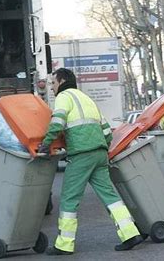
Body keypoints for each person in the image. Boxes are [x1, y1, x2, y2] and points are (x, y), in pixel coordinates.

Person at [38, 68, 144, 255]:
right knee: (110, 196)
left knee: (69, 199)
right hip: (99, 153)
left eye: (53, 83)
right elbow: (105, 130)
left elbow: (57, 122)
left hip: (81, 154)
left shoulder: (63, 97)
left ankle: (64, 244)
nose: (52, 88)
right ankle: (130, 234)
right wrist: (102, 147)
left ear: (62, 81)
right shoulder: (87, 99)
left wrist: (46, 144)